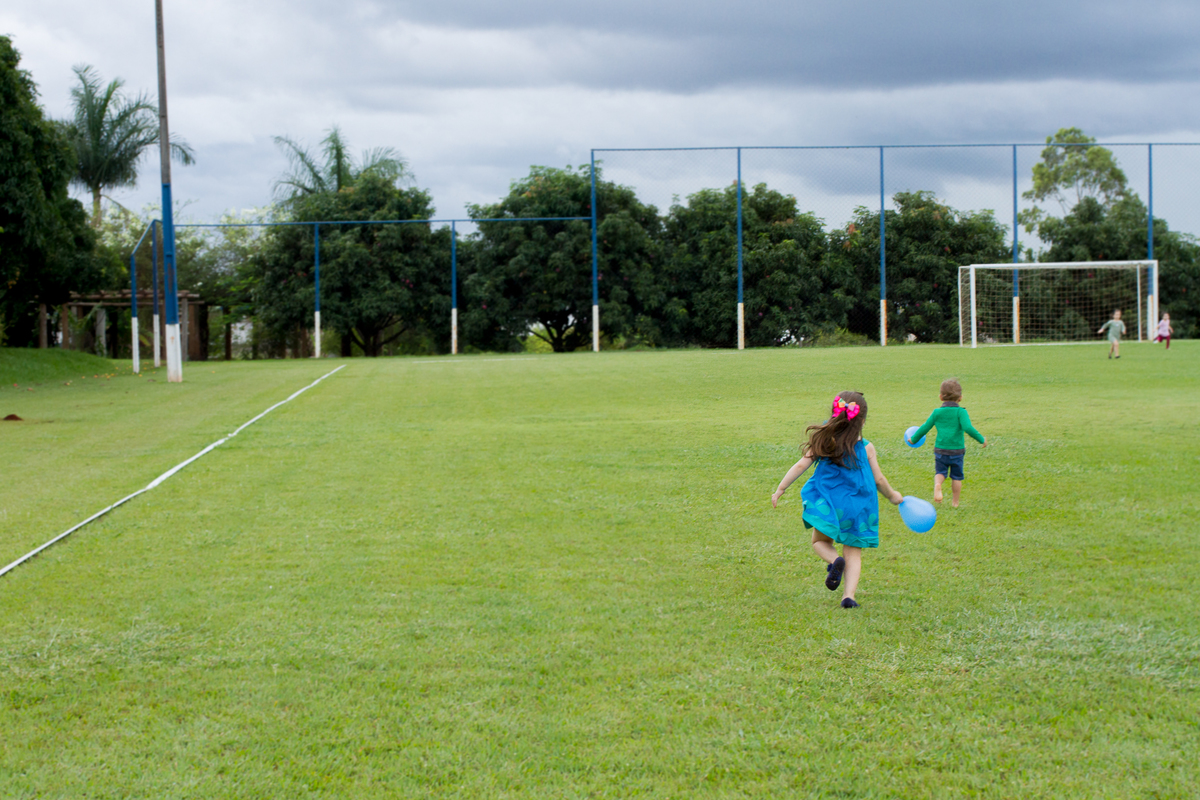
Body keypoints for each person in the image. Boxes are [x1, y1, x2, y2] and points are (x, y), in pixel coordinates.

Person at [771, 391, 903, 609]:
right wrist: (893, 496)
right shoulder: (867, 447)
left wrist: (781, 488)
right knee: (853, 552)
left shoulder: (825, 440)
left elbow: (800, 465)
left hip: (831, 505)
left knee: (820, 542)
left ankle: (834, 562)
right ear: (862, 421)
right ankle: (848, 597)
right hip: (858, 507)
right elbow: (878, 479)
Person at [909, 379, 987, 508]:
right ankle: (955, 502)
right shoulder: (961, 412)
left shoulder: (937, 412)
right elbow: (968, 428)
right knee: (956, 476)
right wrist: (981, 439)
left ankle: (938, 484)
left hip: (940, 450)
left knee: (940, 472)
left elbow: (924, 427)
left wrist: (914, 439)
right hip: (957, 450)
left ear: (940, 397)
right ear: (960, 398)